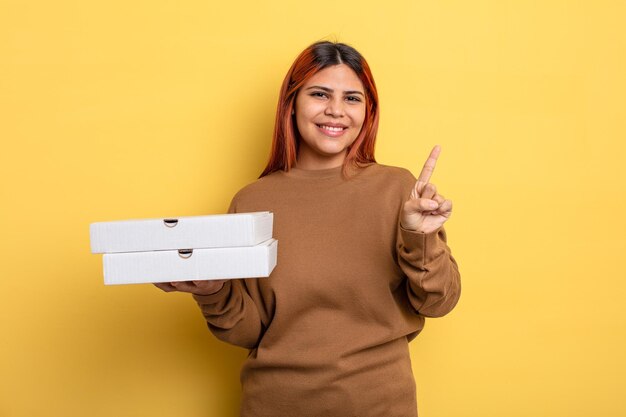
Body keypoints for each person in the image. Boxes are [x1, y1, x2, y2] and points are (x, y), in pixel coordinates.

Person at [155, 41, 461, 417]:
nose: (336, 111)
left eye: (352, 98)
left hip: (380, 406)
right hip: (272, 405)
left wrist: (420, 237)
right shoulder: (252, 201)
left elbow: (438, 302)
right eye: (320, 94)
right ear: (292, 102)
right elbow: (249, 331)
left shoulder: (399, 190)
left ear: (368, 112)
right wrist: (212, 291)